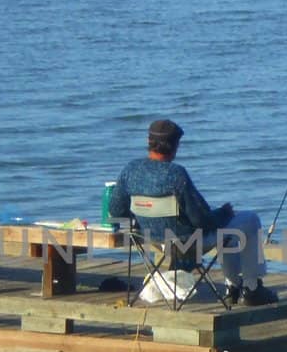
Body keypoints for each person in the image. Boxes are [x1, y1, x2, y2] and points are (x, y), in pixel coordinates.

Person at [107, 118, 277, 306]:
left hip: (154, 241)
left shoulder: (130, 170)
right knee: (249, 220)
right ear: (175, 146)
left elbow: (116, 210)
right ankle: (251, 288)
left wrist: (144, 214)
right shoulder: (176, 175)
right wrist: (224, 213)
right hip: (188, 243)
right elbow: (202, 220)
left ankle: (234, 287)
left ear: (149, 143)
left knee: (227, 230)